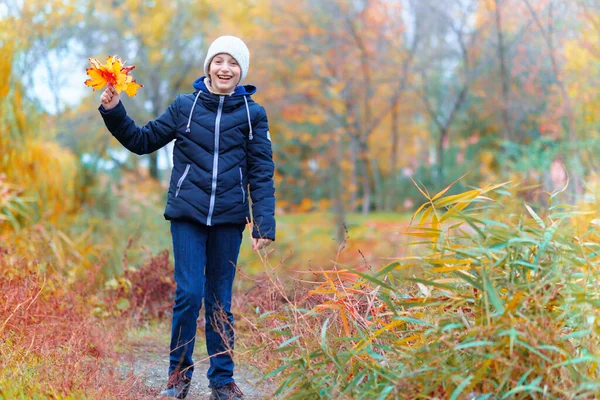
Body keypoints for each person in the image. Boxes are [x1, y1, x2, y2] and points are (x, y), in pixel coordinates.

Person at [98, 35, 276, 400]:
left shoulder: (252, 113)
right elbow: (142, 141)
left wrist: (264, 224)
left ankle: (222, 381)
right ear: (208, 66)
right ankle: (177, 378)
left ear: (241, 71)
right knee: (189, 294)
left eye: (233, 63)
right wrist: (114, 110)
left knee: (219, 301)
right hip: (188, 214)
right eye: (219, 61)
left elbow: (261, 170)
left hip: (228, 218)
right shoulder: (185, 106)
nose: (225, 68)